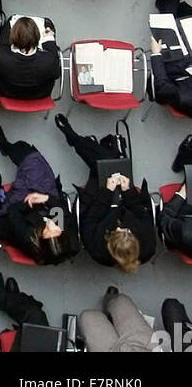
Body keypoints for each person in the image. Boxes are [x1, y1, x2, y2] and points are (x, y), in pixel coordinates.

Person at [55, 112, 156, 271]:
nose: (120, 227)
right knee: (110, 163)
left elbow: (90, 219)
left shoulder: (97, 250)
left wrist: (107, 192)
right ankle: (80, 141)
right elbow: (142, 213)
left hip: (98, 205)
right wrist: (127, 191)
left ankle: (75, 139)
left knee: (103, 165)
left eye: (117, 231)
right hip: (126, 202)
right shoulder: (147, 247)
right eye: (127, 230)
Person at [0, 121, 78, 263]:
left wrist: (29, 203)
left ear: (40, 239)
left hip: (19, 209)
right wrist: (45, 199)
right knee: (28, 155)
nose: (52, 224)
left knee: (4, 203)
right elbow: (59, 208)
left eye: (49, 230)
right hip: (42, 202)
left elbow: (14, 212)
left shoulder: (27, 237)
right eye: (57, 228)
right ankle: (6, 146)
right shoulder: (62, 232)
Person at [0, 18, 61, 102]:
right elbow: (56, 73)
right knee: (48, 23)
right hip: (39, 95)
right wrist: (49, 40)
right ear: (37, 37)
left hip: (8, 93)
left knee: (8, 24)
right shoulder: (48, 61)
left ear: (12, 38)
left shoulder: (1, 57)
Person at [151, 0, 192, 116]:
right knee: (187, 18)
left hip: (174, 69)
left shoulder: (185, 98)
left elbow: (162, 87)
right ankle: (172, 0)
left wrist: (156, 54)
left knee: (167, 21)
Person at [78, 287, 161, 353]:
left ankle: (110, 320)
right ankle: (109, 305)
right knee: (121, 300)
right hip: (145, 348)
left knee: (88, 316)